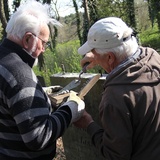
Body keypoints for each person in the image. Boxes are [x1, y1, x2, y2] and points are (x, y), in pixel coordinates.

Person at [0, 0, 85, 159]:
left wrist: (39, 94)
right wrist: (70, 110)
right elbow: (38, 137)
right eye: (43, 42)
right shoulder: (20, 74)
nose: (44, 49)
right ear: (27, 40)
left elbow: (8, 102)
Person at [74, 17, 160, 160]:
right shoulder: (154, 58)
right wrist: (99, 57)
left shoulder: (115, 98)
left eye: (94, 52)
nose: (92, 55)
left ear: (110, 57)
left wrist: (89, 124)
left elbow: (115, 156)